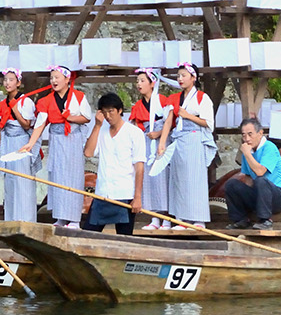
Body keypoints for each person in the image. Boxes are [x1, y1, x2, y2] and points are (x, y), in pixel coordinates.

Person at [81, 92, 145, 235]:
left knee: (124, 239)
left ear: (120, 110)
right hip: (103, 192)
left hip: (125, 193)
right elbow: (88, 153)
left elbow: (139, 167)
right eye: (105, 112)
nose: (108, 116)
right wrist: (97, 126)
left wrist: (137, 198)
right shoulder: (101, 131)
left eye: (111, 111)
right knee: (88, 235)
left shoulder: (134, 132)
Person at [39, 65, 93, 229]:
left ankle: (74, 219)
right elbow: (41, 123)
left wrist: (70, 117)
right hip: (56, 139)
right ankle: (61, 217)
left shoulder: (78, 96)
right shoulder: (48, 99)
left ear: (67, 79)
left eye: (57, 77)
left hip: (72, 139)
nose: (54, 81)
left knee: (73, 177)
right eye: (51, 78)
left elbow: (86, 117)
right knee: (57, 175)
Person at [0, 69, 44, 222]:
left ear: (18, 83)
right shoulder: (1, 104)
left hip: (21, 143)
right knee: (10, 183)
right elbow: (1, 128)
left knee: (23, 182)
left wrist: (14, 109)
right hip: (7, 143)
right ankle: (11, 219)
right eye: (5, 80)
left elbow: (27, 125)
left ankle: (26, 220)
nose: (7, 83)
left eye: (11, 80)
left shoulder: (25, 102)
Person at [164, 62, 216, 227]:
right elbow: (168, 121)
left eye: (183, 75)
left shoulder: (202, 97)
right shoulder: (175, 98)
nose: (180, 79)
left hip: (194, 139)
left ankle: (198, 218)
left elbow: (208, 122)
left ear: (193, 78)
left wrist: (187, 116)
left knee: (195, 179)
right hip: (179, 139)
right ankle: (182, 218)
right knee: (179, 179)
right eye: (178, 76)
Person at [222, 118, 281, 229]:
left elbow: (260, 172)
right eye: (244, 136)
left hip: (280, 197)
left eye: (250, 134)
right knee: (231, 184)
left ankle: (265, 220)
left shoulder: (269, 147)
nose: (247, 139)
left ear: (260, 133)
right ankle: (240, 219)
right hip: (260, 196)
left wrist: (247, 154)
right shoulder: (247, 152)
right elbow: (248, 178)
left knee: (261, 180)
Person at [128, 70, 174, 228]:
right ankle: (153, 217)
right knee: (148, 178)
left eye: (142, 80)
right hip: (146, 142)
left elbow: (170, 122)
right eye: (138, 81)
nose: (138, 84)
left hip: (162, 142)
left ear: (152, 83)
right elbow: (134, 125)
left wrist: (160, 133)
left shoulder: (163, 100)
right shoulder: (138, 106)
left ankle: (167, 217)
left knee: (163, 178)